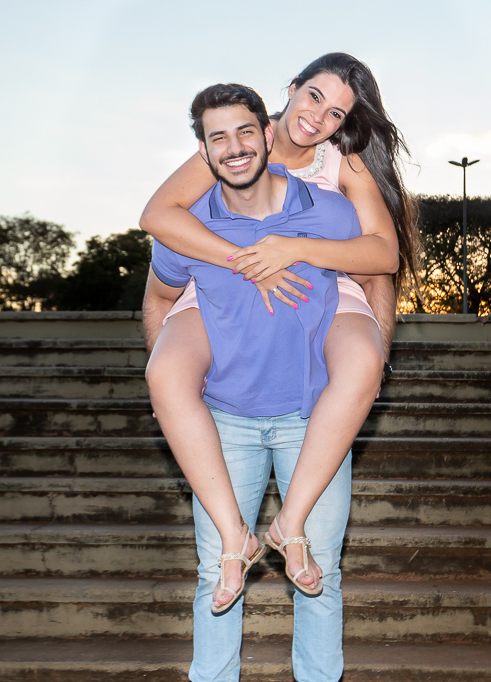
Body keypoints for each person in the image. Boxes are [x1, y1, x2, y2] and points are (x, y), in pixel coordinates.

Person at [140, 52, 420, 612]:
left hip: (312, 291)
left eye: (338, 113)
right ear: (291, 89)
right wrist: (248, 260)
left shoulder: (344, 162)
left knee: (360, 356)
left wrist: (291, 249)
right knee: (167, 374)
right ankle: (234, 538)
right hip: (219, 284)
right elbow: (157, 215)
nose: (318, 117)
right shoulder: (242, 137)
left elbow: (382, 255)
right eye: (314, 96)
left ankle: (289, 525)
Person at [143, 83, 363, 682]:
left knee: (317, 570)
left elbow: (380, 258)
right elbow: (160, 298)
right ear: (202, 150)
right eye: (217, 138)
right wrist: (170, 388)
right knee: (218, 572)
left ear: (266, 136)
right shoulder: (187, 224)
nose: (233, 148)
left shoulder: (323, 210)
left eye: (244, 133)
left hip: (308, 415)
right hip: (227, 418)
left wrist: (373, 342)